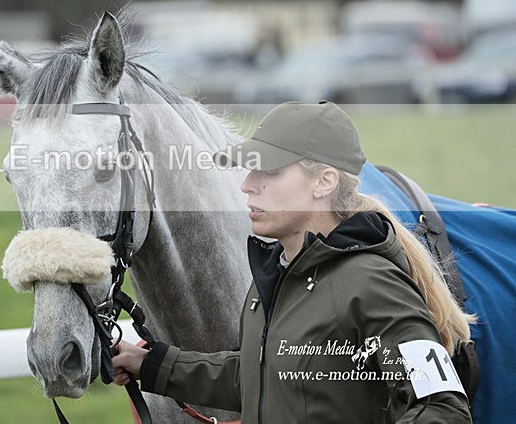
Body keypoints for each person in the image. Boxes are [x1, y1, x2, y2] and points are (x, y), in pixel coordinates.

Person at [112, 101, 473, 423]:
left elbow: (441, 408)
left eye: (268, 172)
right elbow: (262, 377)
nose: (247, 185)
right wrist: (152, 365)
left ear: (324, 182)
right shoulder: (275, 276)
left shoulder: (371, 283)